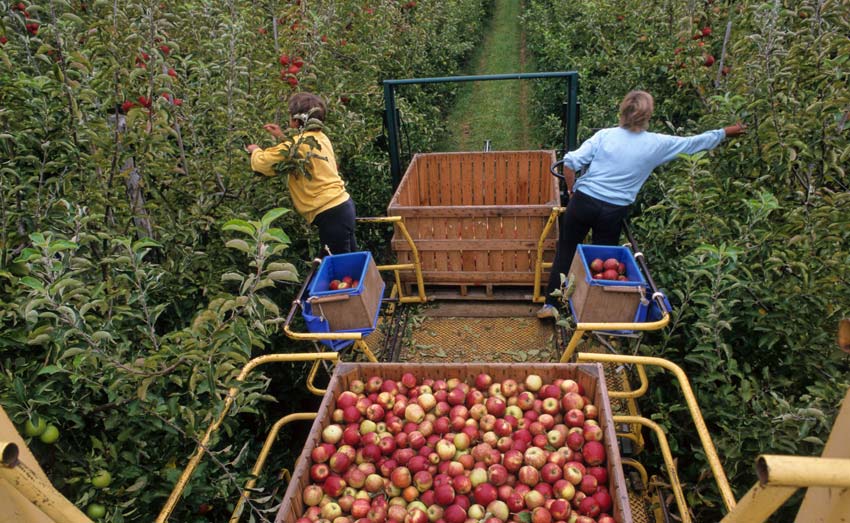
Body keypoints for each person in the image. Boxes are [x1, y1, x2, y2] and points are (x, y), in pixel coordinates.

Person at [537, 90, 746, 319]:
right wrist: (725, 132)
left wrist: (572, 189)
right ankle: (589, 315)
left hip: (584, 202)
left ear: (622, 111)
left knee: (566, 252)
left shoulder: (605, 136)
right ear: (648, 115)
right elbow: (693, 144)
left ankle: (551, 305)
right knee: (605, 264)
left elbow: (570, 162)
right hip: (613, 211)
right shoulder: (656, 144)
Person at [247, 92, 358, 255]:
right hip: (341, 206)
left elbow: (262, 164)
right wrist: (281, 137)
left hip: (330, 211)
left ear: (296, 119)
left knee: (338, 266)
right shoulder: (319, 138)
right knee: (348, 262)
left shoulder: (297, 145)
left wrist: (255, 151)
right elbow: (297, 151)